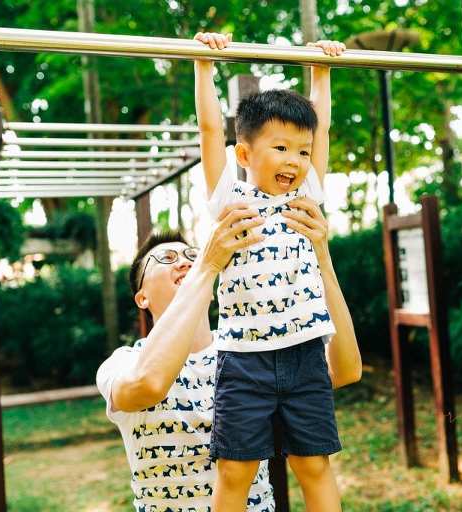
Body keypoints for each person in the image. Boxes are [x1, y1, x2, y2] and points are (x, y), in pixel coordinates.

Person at [96, 200, 361, 512]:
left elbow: (346, 371)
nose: (184, 262)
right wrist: (206, 266)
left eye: (192, 255)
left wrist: (323, 262)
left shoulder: (249, 348)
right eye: (166, 259)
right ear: (141, 297)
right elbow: (148, 385)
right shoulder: (123, 362)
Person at [193, 32, 351, 511]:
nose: (296, 160)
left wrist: (319, 71)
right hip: (244, 358)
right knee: (235, 468)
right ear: (245, 155)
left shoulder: (308, 198)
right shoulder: (231, 198)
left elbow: (319, 129)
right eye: (281, 148)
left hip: (304, 353)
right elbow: (207, 128)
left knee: (314, 463)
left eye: (301, 153)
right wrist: (204, 65)